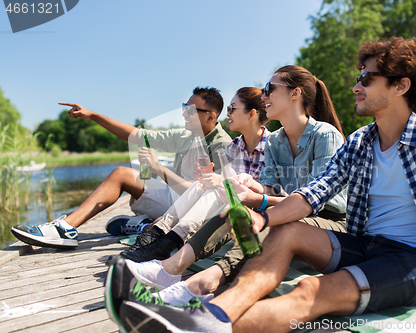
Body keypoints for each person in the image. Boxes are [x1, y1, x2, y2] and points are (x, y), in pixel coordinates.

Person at [110, 37, 416, 333]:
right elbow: (312, 195)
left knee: (309, 293)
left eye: (367, 78)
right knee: (284, 232)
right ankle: (211, 310)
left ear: (401, 86)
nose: (356, 86)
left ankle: (202, 323)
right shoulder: (361, 143)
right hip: (365, 243)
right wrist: (264, 218)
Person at [107, 64, 348, 316]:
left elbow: (328, 203)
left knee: (273, 221)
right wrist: (250, 184)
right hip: (289, 211)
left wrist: (262, 199)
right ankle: (170, 269)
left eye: (270, 89)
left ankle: (201, 280)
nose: (264, 95)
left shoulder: (325, 135)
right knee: (237, 207)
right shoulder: (277, 140)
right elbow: (271, 186)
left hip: (327, 220)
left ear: (295, 94)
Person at [11, 87, 232, 249]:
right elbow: (137, 136)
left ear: (211, 116)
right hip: (172, 198)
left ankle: (143, 224)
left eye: (191, 110)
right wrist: (94, 116)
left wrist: (160, 169)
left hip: (193, 211)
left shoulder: (222, 145)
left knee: (158, 230)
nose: (184, 113)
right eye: (185, 107)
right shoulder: (184, 135)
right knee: (121, 174)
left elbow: (208, 200)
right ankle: (65, 228)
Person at [117, 87, 270, 263]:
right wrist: (209, 176)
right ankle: (158, 233)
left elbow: (272, 189)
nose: (227, 114)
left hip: (255, 212)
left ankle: (165, 241)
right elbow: (230, 182)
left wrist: (220, 180)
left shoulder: (273, 145)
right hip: (230, 206)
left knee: (215, 188)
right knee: (204, 184)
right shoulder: (234, 146)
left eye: (232, 109)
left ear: (251, 114)